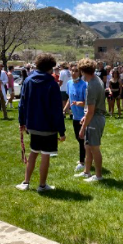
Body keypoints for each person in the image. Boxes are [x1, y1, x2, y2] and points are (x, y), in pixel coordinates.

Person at [16, 53, 66, 192]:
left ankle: (26, 183)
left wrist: (22, 122)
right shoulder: (52, 84)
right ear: (50, 67)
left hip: (32, 125)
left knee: (33, 152)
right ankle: (42, 186)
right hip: (48, 126)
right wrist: (62, 131)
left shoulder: (28, 81)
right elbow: (57, 109)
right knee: (45, 155)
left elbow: (22, 104)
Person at [74, 58, 106, 182]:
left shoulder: (92, 85)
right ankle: (86, 172)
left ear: (82, 71)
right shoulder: (95, 80)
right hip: (93, 116)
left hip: (95, 118)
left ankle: (98, 176)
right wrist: (85, 116)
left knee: (94, 147)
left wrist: (82, 129)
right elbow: (91, 108)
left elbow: (92, 111)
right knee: (88, 147)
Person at [64, 64, 87, 172]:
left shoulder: (84, 85)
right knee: (78, 139)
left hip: (83, 117)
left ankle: (82, 162)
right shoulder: (69, 84)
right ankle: (85, 158)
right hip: (75, 117)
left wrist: (78, 103)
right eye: (72, 71)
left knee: (82, 139)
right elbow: (70, 98)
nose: (73, 73)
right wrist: (65, 109)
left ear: (80, 73)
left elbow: (87, 103)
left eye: (76, 71)